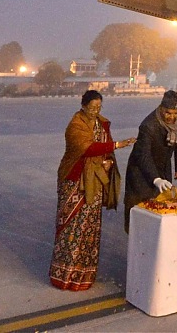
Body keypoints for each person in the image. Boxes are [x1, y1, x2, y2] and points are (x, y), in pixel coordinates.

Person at [49, 90, 136, 291]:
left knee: (90, 229)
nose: (96, 111)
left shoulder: (101, 123)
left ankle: (84, 276)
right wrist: (117, 145)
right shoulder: (76, 125)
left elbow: (105, 150)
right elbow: (87, 148)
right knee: (71, 229)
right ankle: (63, 276)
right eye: (92, 107)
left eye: (99, 107)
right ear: (83, 104)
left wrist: (107, 162)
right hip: (75, 182)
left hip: (94, 183)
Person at [123, 90, 177, 233]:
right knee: (141, 210)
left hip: (163, 164)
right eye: (168, 113)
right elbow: (143, 155)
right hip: (141, 171)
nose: (172, 117)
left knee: (162, 205)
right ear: (161, 109)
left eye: (175, 113)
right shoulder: (148, 126)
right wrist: (156, 179)